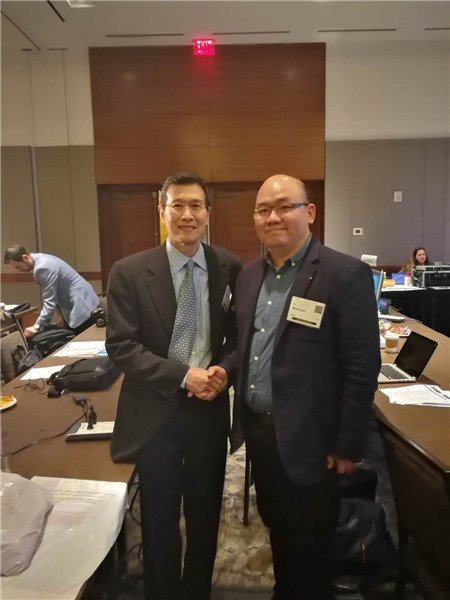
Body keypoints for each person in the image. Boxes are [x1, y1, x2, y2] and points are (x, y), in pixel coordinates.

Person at [230, 174, 381, 600]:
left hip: (314, 439)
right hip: (261, 434)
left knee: (312, 542)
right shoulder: (248, 277)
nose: (272, 217)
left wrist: (348, 443)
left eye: (285, 207)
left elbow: (361, 365)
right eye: (263, 210)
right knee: (278, 527)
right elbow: (244, 347)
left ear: (309, 212)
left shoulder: (344, 274)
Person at [106, 172, 242, 600]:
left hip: (208, 409)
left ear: (208, 213)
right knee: (159, 518)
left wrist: (225, 371)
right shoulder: (129, 272)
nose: (187, 214)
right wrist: (182, 375)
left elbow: (240, 338)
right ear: (161, 212)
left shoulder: (228, 266)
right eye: (177, 205)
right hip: (154, 412)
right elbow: (122, 346)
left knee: (205, 515)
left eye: (196, 205)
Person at [3, 245, 99, 337]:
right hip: (81, 299)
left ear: (25, 257)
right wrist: (60, 314)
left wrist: (36, 326)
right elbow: (55, 291)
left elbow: (49, 299)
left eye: (18, 267)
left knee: (83, 340)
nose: (19, 270)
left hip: (80, 303)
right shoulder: (40, 258)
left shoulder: (42, 267)